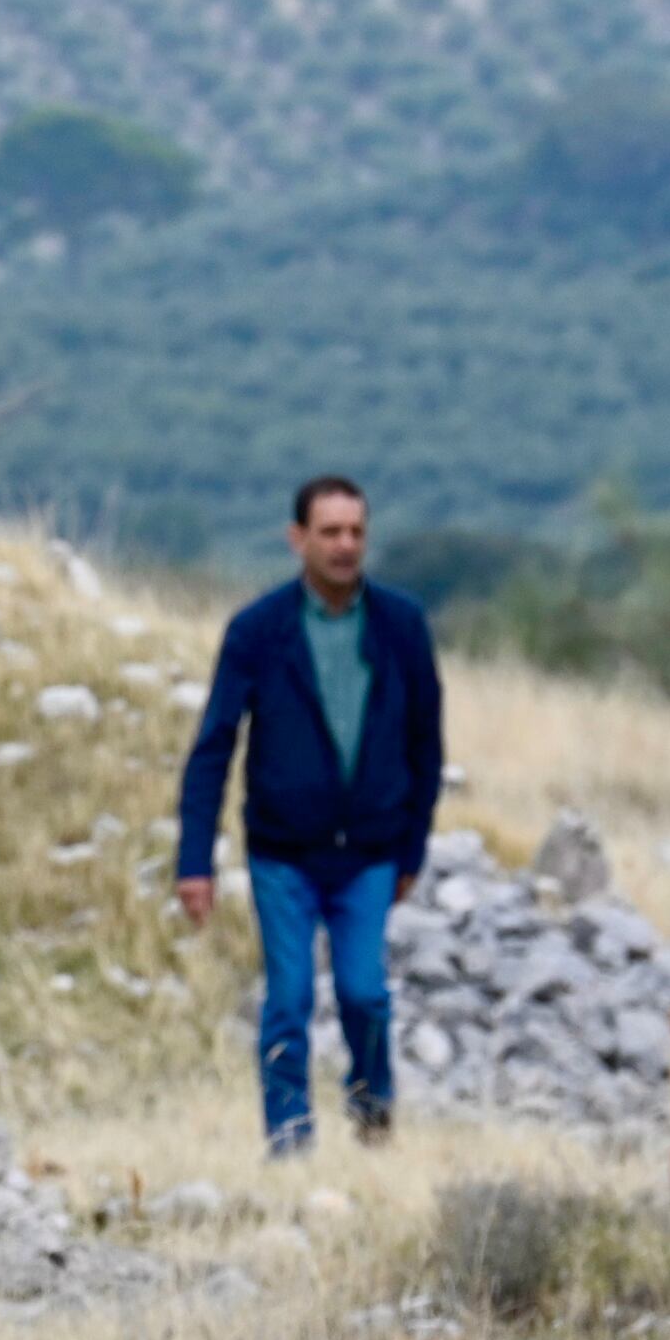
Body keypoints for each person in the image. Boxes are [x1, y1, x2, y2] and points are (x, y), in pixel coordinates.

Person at [176, 475, 446, 1155]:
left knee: (365, 995)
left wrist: (412, 852)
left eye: (356, 531)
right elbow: (214, 746)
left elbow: (426, 742)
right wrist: (194, 862)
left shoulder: (402, 626)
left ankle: (373, 1115)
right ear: (298, 538)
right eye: (330, 532)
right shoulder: (258, 630)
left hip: (371, 854)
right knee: (288, 999)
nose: (345, 545)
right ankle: (290, 1141)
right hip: (282, 854)